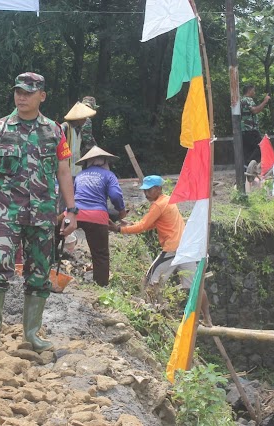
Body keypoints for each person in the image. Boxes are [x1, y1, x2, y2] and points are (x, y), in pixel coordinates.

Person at [0, 72, 77, 352]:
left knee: (39, 273)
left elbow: (64, 172)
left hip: (43, 215)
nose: (22, 96)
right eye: (18, 91)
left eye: (29, 92)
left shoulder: (54, 130)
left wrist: (72, 211)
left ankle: (32, 334)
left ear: (41, 95)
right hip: (7, 214)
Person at [109, 175, 212, 325]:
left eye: (149, 190)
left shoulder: (158, 205)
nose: (146, 194)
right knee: (195, 285)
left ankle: (153, 313)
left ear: (158, 189)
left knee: (150, 278)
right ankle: (207, 319)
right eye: (145, 191)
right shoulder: (168, 200)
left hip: (173, 248)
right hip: (186, 246)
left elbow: (143, 226)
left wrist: (118, 229)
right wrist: (129, 224)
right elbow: (151, 223)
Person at [72, 146, 126, 287]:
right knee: (100, 254)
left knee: (54, 234)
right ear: (104, 161)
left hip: (75, 213)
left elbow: (72, 195)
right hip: (97, 216)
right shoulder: (109, 175)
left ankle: (47, 267)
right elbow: (115, 195)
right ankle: (101, 285)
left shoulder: (79, 175)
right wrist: (121, 212)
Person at [61, 101, 97, 177]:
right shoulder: (66, 126)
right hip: (65, 172)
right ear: (78, 118)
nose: (85, 120)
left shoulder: (80, 130)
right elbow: (55, 132)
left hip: (77, 172)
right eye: (83, 117)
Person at [240, 84, 270, 167]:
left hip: (244, 131)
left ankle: (248, 171)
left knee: (249, 151)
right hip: (250, 130)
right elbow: (255, 110)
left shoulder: (241, 100)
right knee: (262, 147)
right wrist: (265, 101)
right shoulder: (247, 100)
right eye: (253, 90)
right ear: (249, 90)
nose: (254, 92)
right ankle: (249, 164)